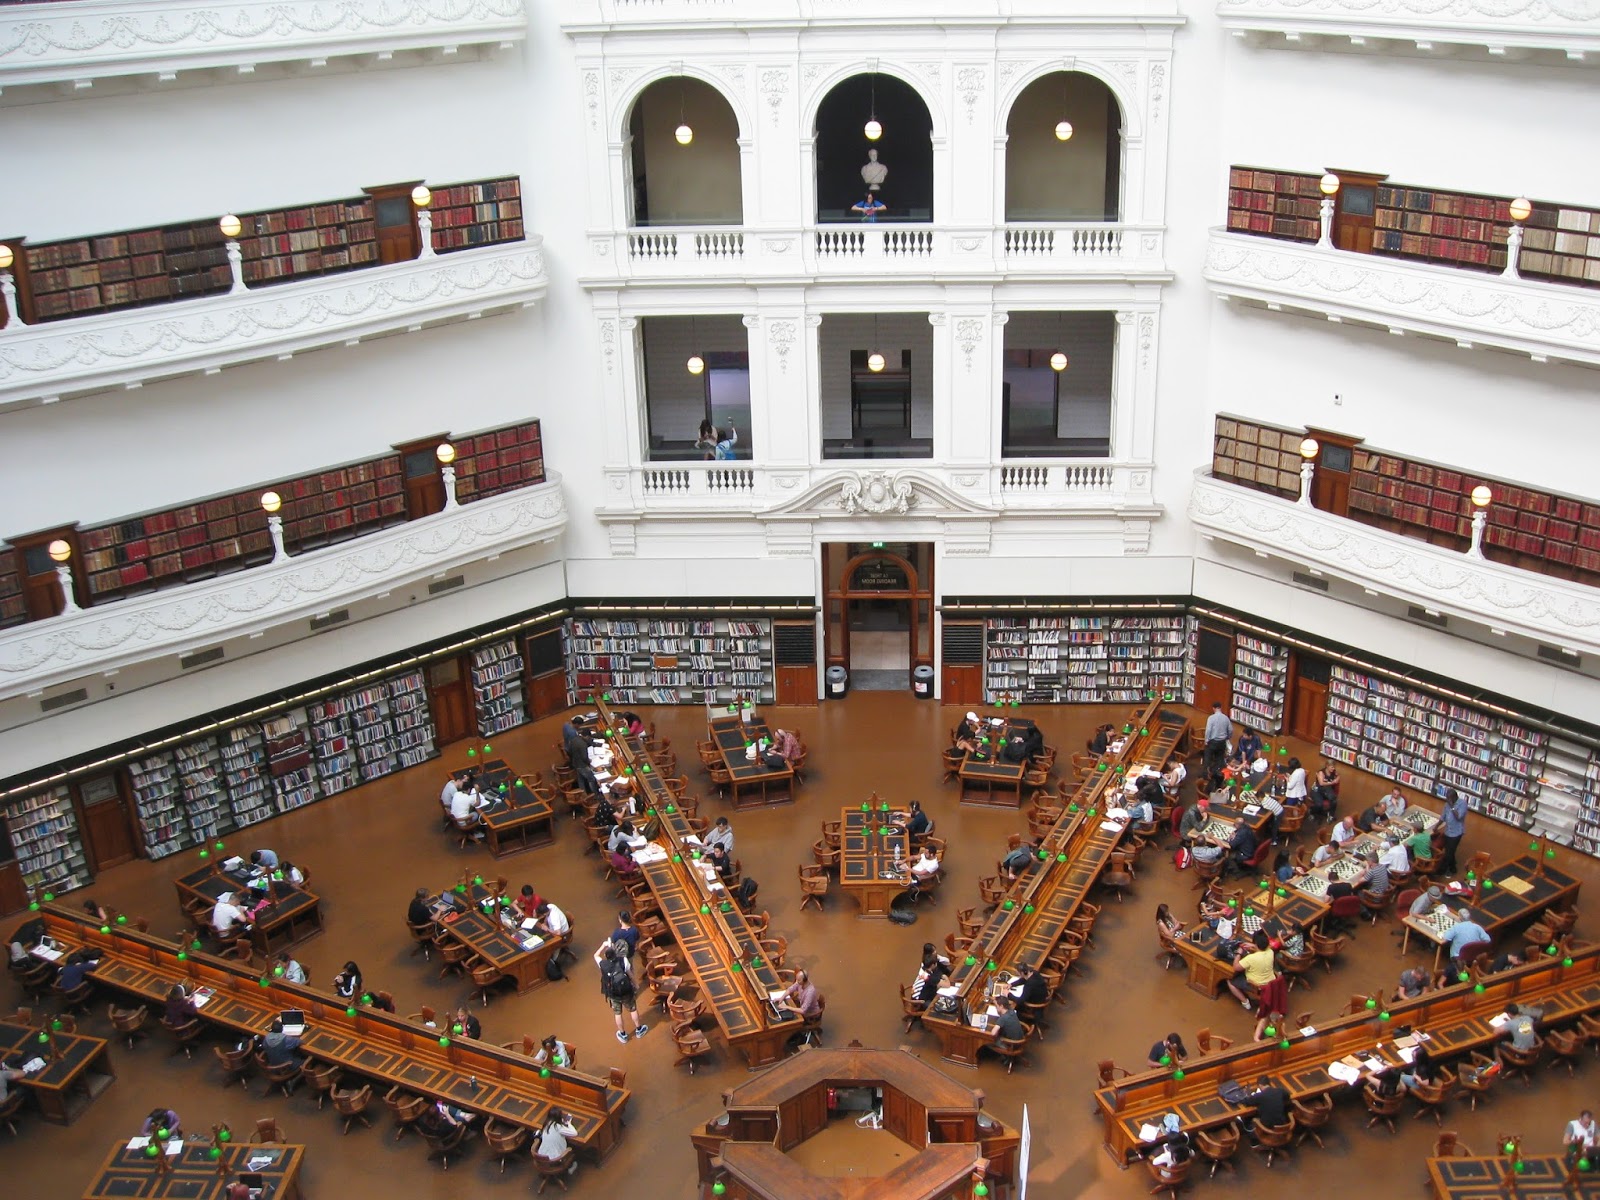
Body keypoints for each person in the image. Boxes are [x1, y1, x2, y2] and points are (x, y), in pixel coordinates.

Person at [596, 942, 648, 1044]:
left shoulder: (602, 964)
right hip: (626, 991)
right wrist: (636, 985)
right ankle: (639, 1030)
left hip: (613, 993)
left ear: (606, 956)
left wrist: (603, 945)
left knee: (617, 1013)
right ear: (615, 954)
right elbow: (630, 975)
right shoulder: (623, 961)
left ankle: (623, 1034)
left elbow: (595, 955)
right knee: (633, 1009)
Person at [1228, 933, 1277, 1011]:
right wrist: (1253, 945)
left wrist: (1239, 953)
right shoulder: (1270, 952)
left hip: (1256, 985)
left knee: (1230, 980)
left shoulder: (1251, 958)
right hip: (1270, 982)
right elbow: (1267, 947)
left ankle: (1245, 1002)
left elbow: (1236, 967)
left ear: (1257, 944)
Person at [535, 1108, 581, 1173]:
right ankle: (570, 1168)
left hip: (541, 1158)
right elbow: (574, 1133)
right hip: (554, 1160)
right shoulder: (558, 1127)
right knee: (572, 1152)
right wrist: (569, 1123)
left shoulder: (546, 1124)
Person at [1440, 787, 1470, 874]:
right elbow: (1443, 817)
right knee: (1449, 850)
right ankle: (1452, 866)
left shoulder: (1462, 804)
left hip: (1456, 833)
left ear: (1454, 797)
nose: (1447, 800)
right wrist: (1436, 826)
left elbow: (1458, 817)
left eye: (1448, 798)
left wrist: (1452, 806)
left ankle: (1447, 870)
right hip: (1448, 831)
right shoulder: (1447, 804)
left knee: (1449, 852)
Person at [1203, 702, 1232, 778]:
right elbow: (1230, 730)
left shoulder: (1211, 718)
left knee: (1207, 757)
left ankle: (1206, 774)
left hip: (1212, 742)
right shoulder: (1226, 718)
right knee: (1220, 758)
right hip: (1222, 742)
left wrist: (1206, 740)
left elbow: (1208, 730)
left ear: (1213, 708)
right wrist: (1228, 737)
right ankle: (1218, 775)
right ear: (1220, 708)